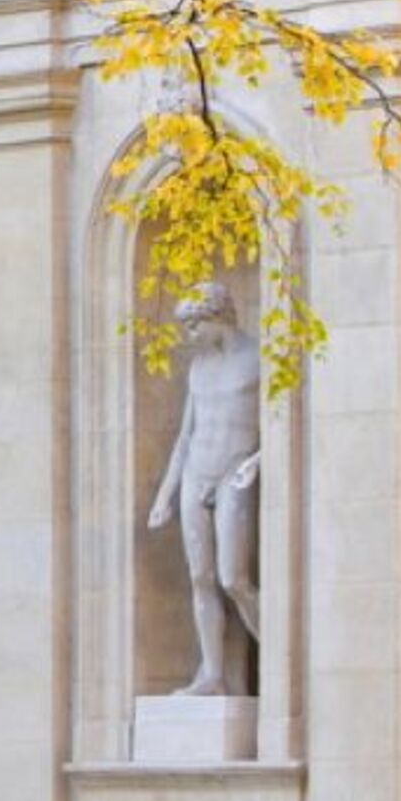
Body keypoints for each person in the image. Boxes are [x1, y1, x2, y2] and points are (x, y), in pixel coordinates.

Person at [146, 279, 262, 696]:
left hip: (235, 471)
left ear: (217, 316)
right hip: (197, 472)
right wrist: (165, 496)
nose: (190, 334)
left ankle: (277, 657)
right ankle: (211, 673)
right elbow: (185, 437)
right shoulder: (199, 368)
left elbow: (279, 425)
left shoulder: (258, 358)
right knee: (201, 577)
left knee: (234, 578)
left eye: (195, 324)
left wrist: (256, 461)